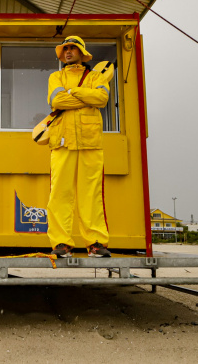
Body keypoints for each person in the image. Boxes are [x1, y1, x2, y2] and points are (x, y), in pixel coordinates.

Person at [46, 36, 112, 258]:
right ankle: (61, 242)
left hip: (90, 142)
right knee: (59, 193)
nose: (68, 52)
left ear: (83, 53)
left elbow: (102, 98)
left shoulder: (96, 76)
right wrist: (86, 97)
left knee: (91, 194)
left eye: (73, 48)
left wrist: (73, 92)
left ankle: (95, 242)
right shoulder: (56, 76)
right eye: (65, 48)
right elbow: (57, 101)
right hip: (62, 140)